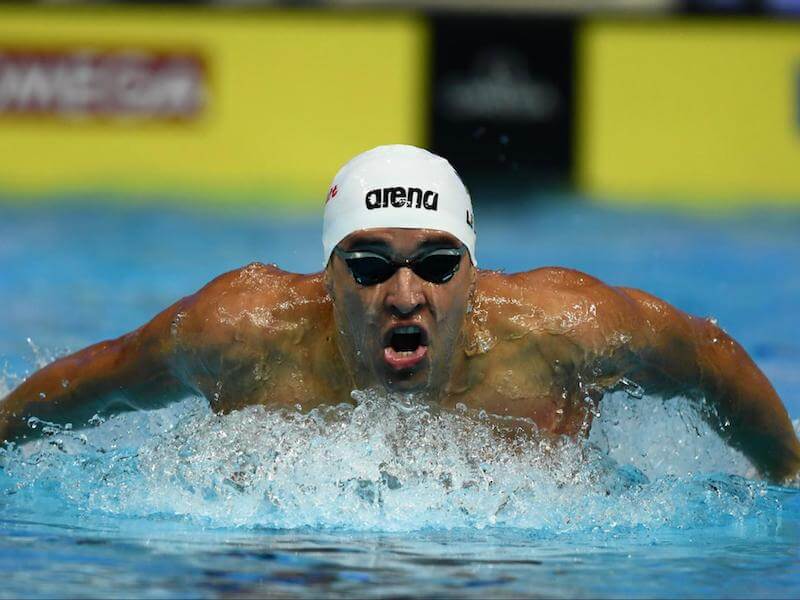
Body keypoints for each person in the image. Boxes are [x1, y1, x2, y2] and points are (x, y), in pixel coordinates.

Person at [1, 145, 798, 483]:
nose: (405, 293)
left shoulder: (566, 330)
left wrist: (789, 475)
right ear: (329, 276)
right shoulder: (244, 333)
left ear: (474, 274)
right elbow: (99, 376)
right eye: (371, 264)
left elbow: (706, 354)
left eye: (438, 264)